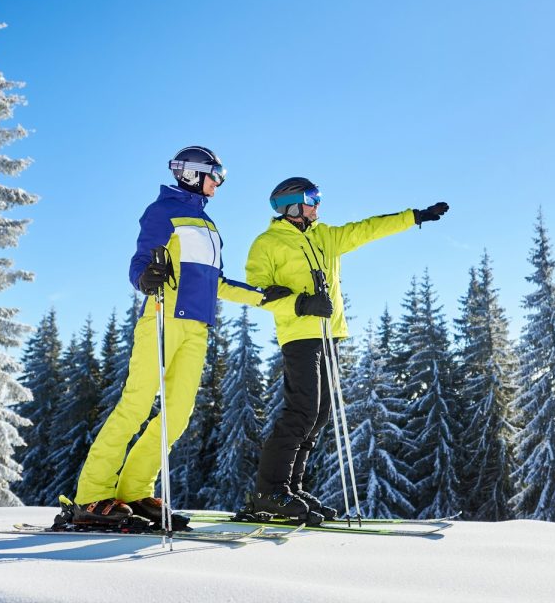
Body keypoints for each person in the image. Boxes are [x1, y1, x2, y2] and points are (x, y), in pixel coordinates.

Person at [71, 146, 292, 527]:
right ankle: (91, 495)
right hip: (164, 316)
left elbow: (215, 282)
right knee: (136, 405)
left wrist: (262, 297)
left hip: (197, 326)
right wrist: (144, 278)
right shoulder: (163, 210)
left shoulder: (208, 225)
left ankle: (134, 491)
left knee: (177, 415)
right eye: (215, 174)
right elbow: (141, 260)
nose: (219, 182)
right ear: (191, 173)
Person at [244, 176, 449, 520]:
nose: (318, 205)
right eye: (312, 199)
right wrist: (302, 303)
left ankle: (290, 489)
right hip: (299, 335)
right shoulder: (267, 243)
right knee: (302, 411)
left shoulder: (326, 236)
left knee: (320, 414)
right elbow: (258, 291)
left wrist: (414, 217)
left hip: (330, 335)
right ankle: (269, 490)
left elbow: (368, 229)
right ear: (291, 206)